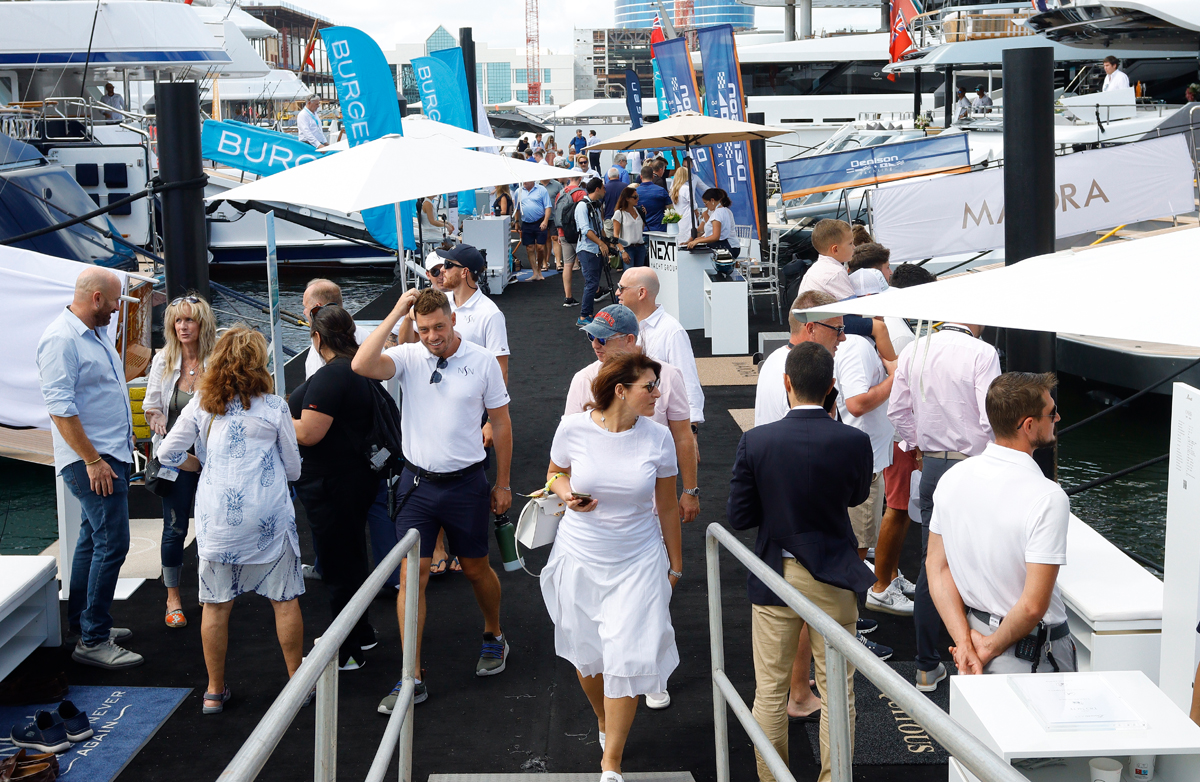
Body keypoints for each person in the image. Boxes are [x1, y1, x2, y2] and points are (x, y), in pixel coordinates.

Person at [352, 288, 513, 711]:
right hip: (417, 485)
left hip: (466, 485)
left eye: (439, 326)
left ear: (454, 320)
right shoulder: (407, 356)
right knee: (412, 579)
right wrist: (395, 313)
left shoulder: (481, 362)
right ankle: (412, 676)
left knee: (477, 570)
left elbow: (502, 422)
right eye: (424, 329)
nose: (432, 336)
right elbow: (361, 363)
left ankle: (494, 633)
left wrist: (503, 483)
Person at [729, 342, 875, 782]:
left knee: (770, 693)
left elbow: (739, 516)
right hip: (834, 573)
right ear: (832, 387)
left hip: (776, 575)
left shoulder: (757, 440)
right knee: (837, 692)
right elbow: (857, 497)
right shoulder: (854, 440)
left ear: (786, 383)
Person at [542, 351, 682, 782]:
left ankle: (611, 763)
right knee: (589, 657)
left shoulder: (658, 439)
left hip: (638, 561)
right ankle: (603, 720)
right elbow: (553, 474)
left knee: (629, 657)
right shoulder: (574, 428)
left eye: (657, 385)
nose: (658, 393)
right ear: (621, 390)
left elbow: (667, 506)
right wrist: (567, 495)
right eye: (650, 387)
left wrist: (675, 567)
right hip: (579, 558)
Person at [157, 326, 304, 715]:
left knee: (216, 605)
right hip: (268, 516)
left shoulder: (201, 405)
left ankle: (213, 692)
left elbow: (167, 453)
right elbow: (293, 469)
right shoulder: (274, 407)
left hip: (218, 518)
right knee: (285, 600)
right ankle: (296, 684)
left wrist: (200, 464)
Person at [927, 372, 1075, 675]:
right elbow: (1034, 606)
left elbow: (937, 566)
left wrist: (965, 644)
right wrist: (988, 647)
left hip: (973, 634)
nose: (1057, 417)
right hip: (1031, 655)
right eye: (1051, 412)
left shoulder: (952, 478)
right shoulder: (1048, 497)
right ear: (1028, 425)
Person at [887, 320, 1001, 692]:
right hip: (975, 466)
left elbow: (898, 412)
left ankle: (925, 664)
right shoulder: (983, 353)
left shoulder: (914, 350)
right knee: (983, 560)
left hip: (934, 464)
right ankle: (978, 654)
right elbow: (991, 419)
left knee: (931, 565)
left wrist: (919, 442)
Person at [37, 267, 142, 670]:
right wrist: (93, 460)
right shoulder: (62, 340)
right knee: (113, 543)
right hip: (92, 460)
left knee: (91, 540)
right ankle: (93, 638)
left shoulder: (94, 335)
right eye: (115, 301)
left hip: (106, 455)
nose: (118, 309)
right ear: (97, 298)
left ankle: (85, 624)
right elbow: (61, 410)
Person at [289, 305, 378, 671]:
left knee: (339, 567)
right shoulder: (358, 366)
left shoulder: (331, 376)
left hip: (331, 484)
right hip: (353, 479)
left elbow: (309, 433)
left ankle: (347, 650)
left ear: (317, 338)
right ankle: (362, 631)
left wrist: (275, 419)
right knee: (352, 557)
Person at [565, 304, 700, 528]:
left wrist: (690, 491)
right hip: (596, 510)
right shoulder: (582, 379)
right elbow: (569, 443)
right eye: (591, 335)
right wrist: (568, 492)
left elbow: (683, 436)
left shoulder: (668, 376)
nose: (595, 344)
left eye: (603, 338)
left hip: (650, 510)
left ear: (629, 339)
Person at [301, 279, 394, 588]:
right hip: (375, 445)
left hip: (338, 461)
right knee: (378, 511)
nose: (303, 312)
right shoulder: (365, 338)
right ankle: (390, 577)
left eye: (306, 307)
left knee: (342, 535)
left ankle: (330, 570)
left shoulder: (328, 364)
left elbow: (314, 425)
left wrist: (277, 416)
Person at [832, 274, 907, 616]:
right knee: (858, 546)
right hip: (865, 462)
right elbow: (859, 403)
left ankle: (852, 615)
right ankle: (851, 622)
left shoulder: (863, 343)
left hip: (868, 458)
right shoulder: (859, 347)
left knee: (861, 542)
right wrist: (895, 379)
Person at [143, 293, 217, 629]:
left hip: (210, 456)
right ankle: (172, 597)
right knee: (175, 527)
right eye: (178, 320)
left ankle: (209, 587)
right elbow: (151, 406)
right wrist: (156, 418)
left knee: (211, 525)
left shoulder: (216, 359)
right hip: (175, 457)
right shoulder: (163, 360)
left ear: (202, 323)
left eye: (189, 319)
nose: (183, 326)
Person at [873, 263, 936, 617]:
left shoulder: (890, 316)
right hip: (900, 437)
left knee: (898, 509)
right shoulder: (900, 333)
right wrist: (915, 443)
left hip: (898, 434)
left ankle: (890, 575)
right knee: (897, 510)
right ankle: (881, 586)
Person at [616, 267, 705, 434]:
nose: (617, 292)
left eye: (622, 288)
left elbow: (689, 383)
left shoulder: (672, 332)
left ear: (641, 293)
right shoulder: (624, 325)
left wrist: (691, 431)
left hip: (659, 433)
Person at [575, 177, 610, 327]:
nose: (605, 191)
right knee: (591, 283)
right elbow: (585, 230)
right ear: (597, 189)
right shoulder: (582, 206)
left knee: (594, 282)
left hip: (594, 249)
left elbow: (599, 226)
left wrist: (606, 242)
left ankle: (589, 314)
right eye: (603, 188)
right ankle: (583, 317)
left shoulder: (594, 206)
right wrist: (601, 243)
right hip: (587, 249)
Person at [797, 219, 856, 301]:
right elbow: (852, 306)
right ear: (835, 250)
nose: (854, 247)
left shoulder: (816, 269)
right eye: (850, 243)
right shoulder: (836, 273)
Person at [554, 171, 587, 307]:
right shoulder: (581, 193)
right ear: (579, 178)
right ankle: (594, 290)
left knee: (567, 264)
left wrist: (559, 232)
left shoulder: (560, 193)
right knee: (586, 262)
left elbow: (557, 213)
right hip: (576, 232)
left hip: (563, 231)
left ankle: (568, 296)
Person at [683, 188, 738, 258]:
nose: (705, 206)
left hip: (719, 247)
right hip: (724, 246)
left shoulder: (717, 214)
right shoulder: (723, 211)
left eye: (706, 203)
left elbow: (715, 236)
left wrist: (698, 241)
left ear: (712, 200)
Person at [515, 180, 552, 281]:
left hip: (540, 222)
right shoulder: (518, 191)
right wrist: (516, 222)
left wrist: (545, 221)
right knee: (529, 248)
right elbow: (517, 208)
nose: (524, 182)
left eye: (526, 180)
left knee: (540, 247)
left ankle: (539, 269)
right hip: (526, 223)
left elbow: (548, 207)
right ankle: (535, 272)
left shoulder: (541, 190)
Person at [611, 187, 646, 268]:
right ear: (627, 198)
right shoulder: (619, 213)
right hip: (627, 248)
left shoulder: (638, 211)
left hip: (640, 247)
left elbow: (641, 229)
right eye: (634, 197)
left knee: (639, 275)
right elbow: (616, 235)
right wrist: (622, 251)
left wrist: (644, 216)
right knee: (629, 276)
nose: (637, 199)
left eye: (637, 196)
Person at [635, 165, 671, 232]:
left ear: (641, 177)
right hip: (659, 230)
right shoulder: (661, 191)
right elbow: (670, 209)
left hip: (640, 230)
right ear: (653, 176)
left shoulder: (634, 192)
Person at [542, 174, 565, 272]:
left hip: (554, 216)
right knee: (544, 239)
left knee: (555, 238)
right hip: (541, 217)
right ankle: (545, 262)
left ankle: (558, 262)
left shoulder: (557, 185)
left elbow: (563, 199)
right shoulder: (536, 185)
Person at [603, 168, 625, 236]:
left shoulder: (604, 188)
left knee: (610, 243)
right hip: (623, 218)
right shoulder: (626, 187)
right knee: (622, 242)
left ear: (608, 177)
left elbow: (600, 205)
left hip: (609, 218)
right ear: (618, 176)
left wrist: (602, 218)